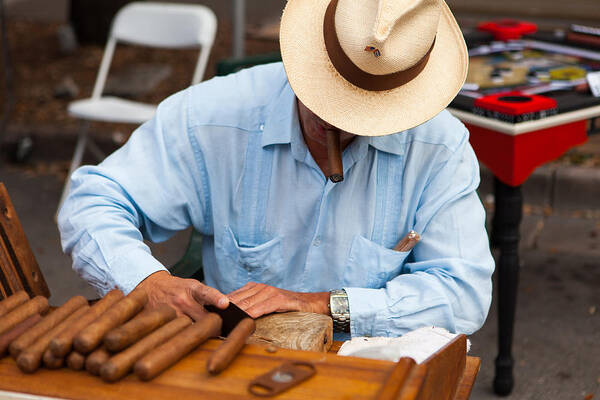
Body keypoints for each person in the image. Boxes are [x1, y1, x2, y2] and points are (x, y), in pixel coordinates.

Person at [58, 0, 494, 339]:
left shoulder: (438, 147)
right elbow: (94, 200)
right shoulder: (215, 116)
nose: (333, 122)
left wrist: (324, 306)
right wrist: (146, 281)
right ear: (309, 59)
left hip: (366, 361)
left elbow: (463, 293)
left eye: (358, 114)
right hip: (234, 356)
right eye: (327, 98)